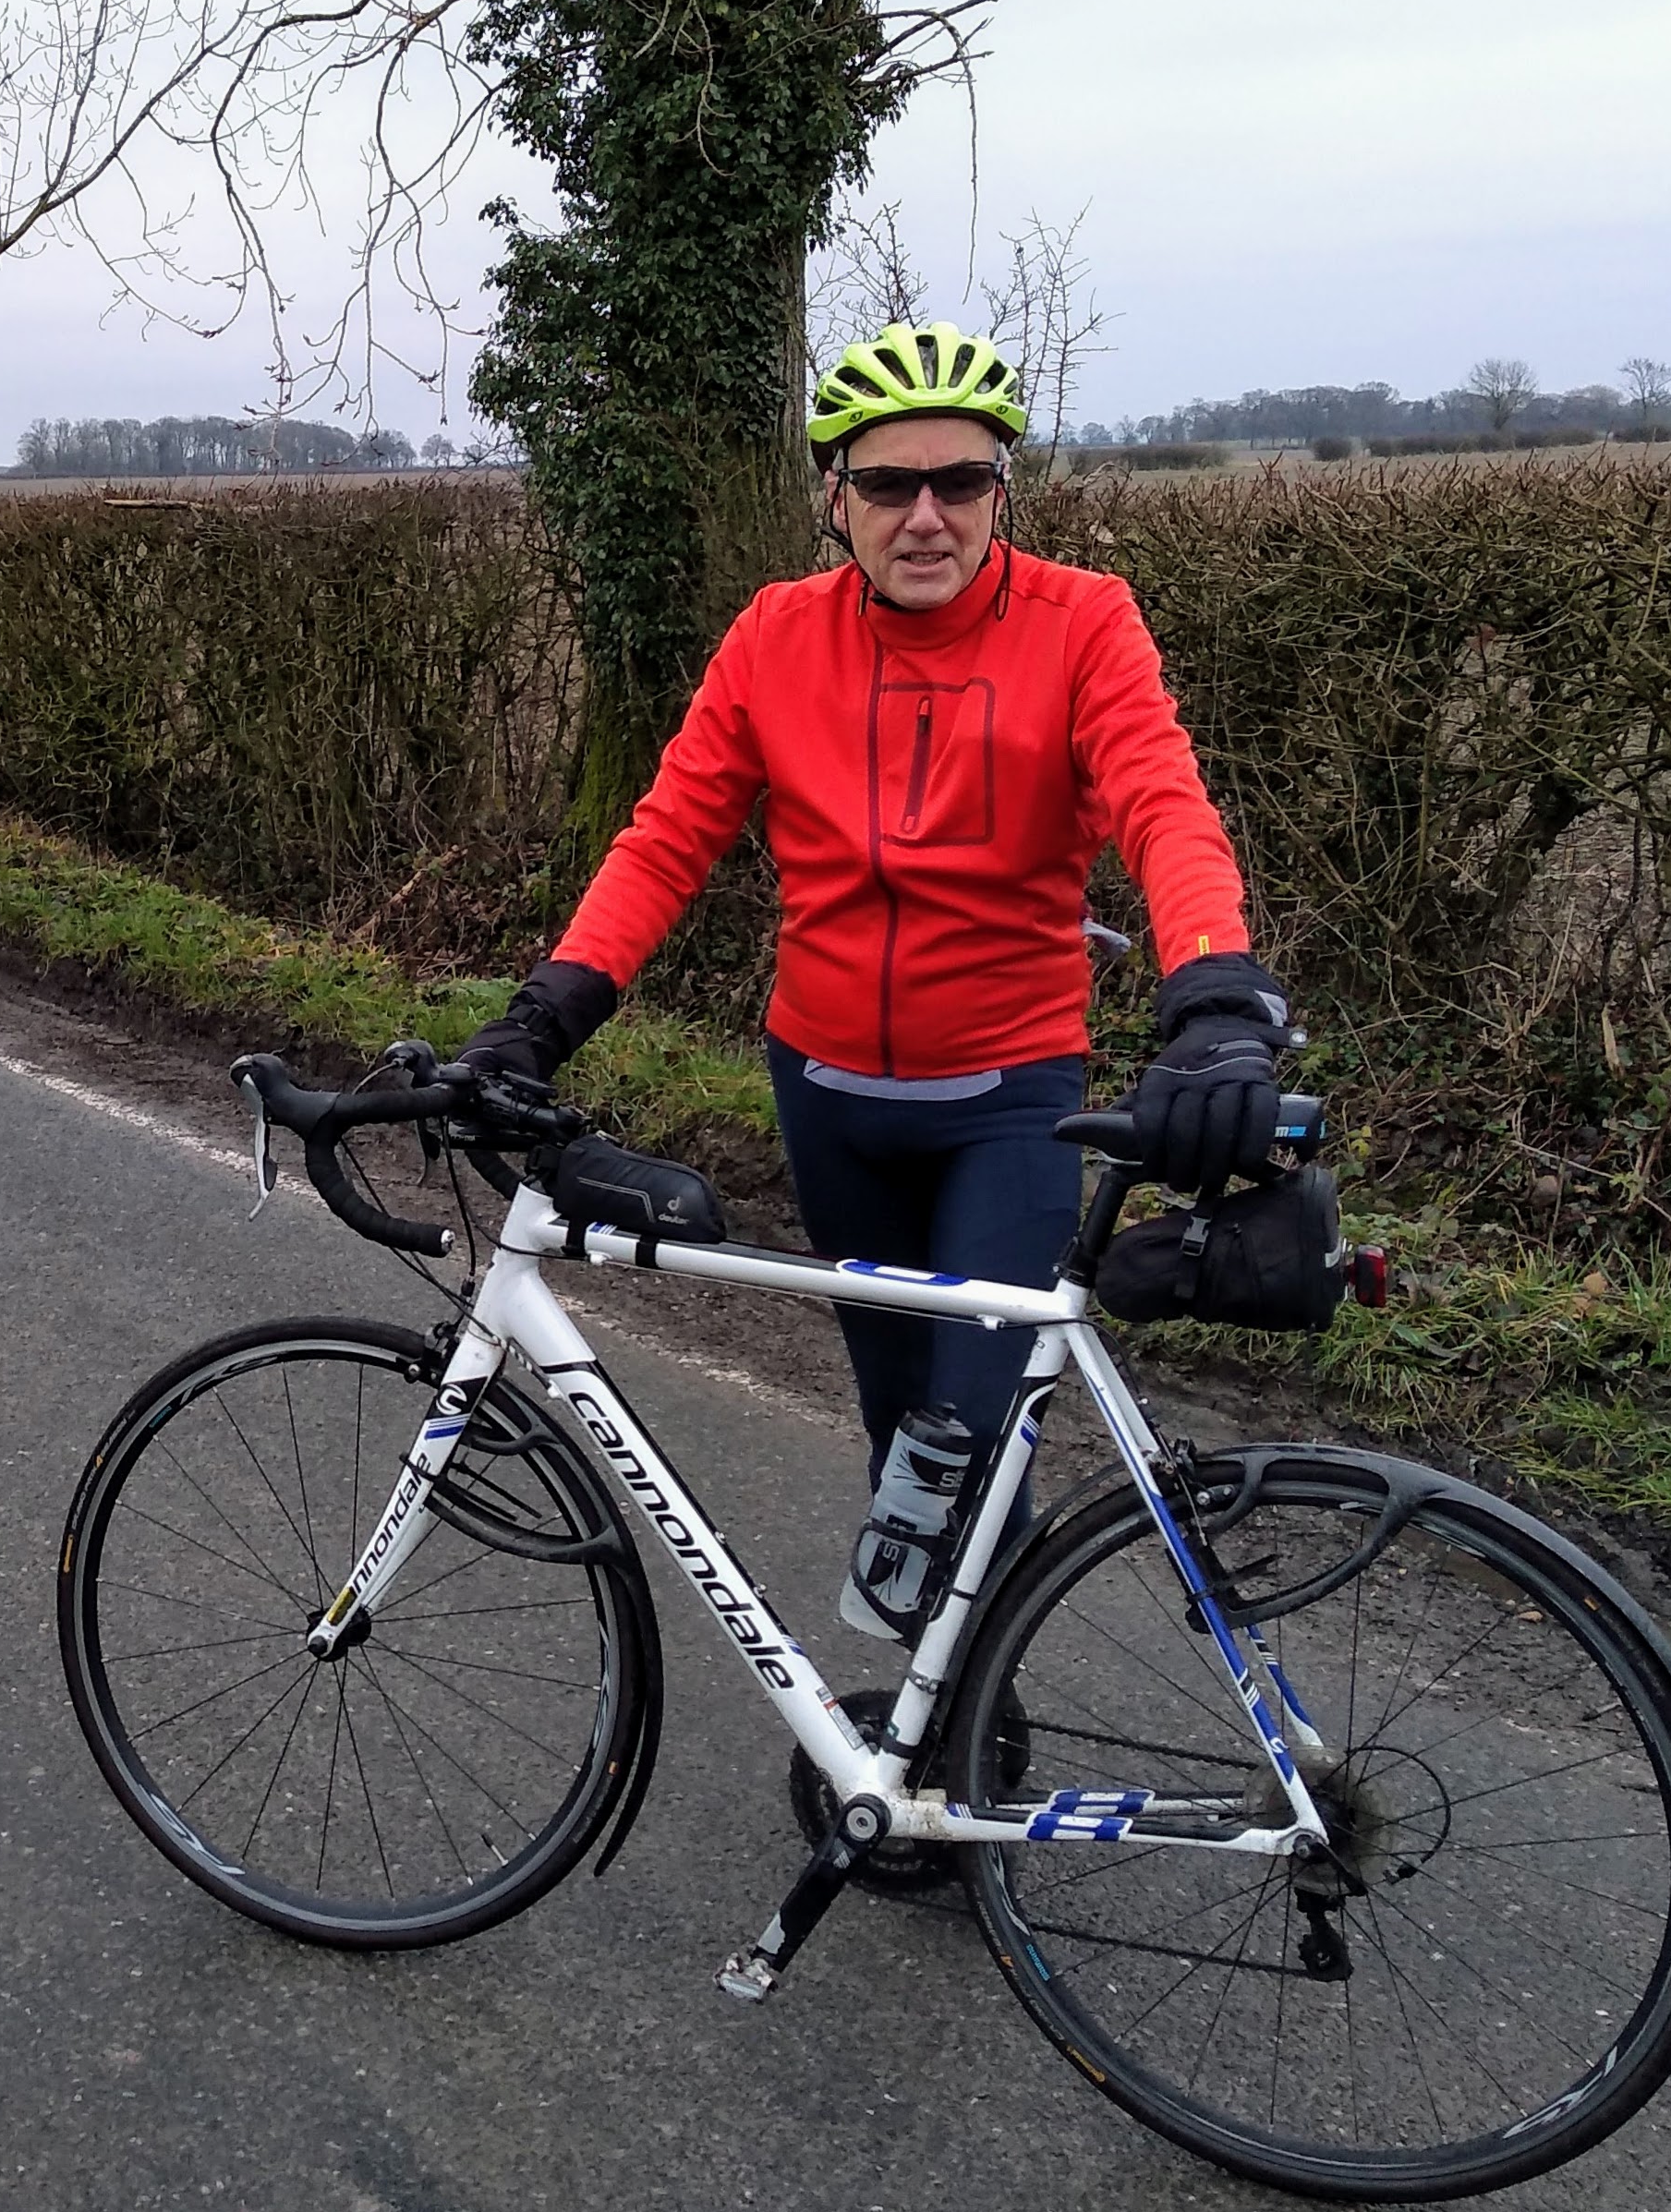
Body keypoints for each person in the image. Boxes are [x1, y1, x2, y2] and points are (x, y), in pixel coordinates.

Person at [460, 321, 1289, 1637]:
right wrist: (544, 1014)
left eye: (959, 480)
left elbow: (1163, 808)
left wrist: (1216, 992)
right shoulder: (777, 635)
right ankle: (928, 1726)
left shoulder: (1082, 622)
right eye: (889, 483)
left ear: (1000, 490)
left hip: (1010, 1100)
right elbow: (667, 839)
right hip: (829, 1096)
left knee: (965, 1439)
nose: (925, 515)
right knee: (899, 1424)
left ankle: (966, 1710)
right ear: (833, 496)